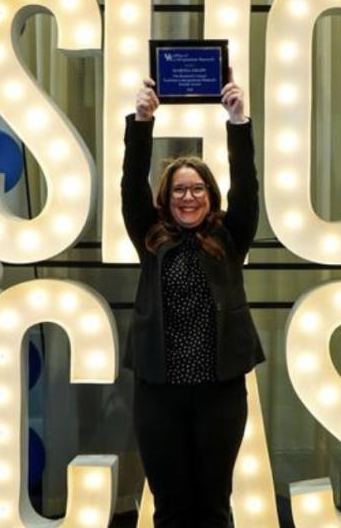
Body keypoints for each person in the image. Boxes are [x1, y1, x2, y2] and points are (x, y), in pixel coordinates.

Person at [121, 76, 266, 528]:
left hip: (218, 394)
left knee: (213, 504)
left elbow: (247, 186)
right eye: (180, 190)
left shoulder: (229, 236)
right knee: (170, 505)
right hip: (159, 394)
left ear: (210, 196)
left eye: (198, 189)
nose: (189, 197)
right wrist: (142, 121)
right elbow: (131, 186)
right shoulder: (150, 237)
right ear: (166, 199)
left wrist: (238, 122)